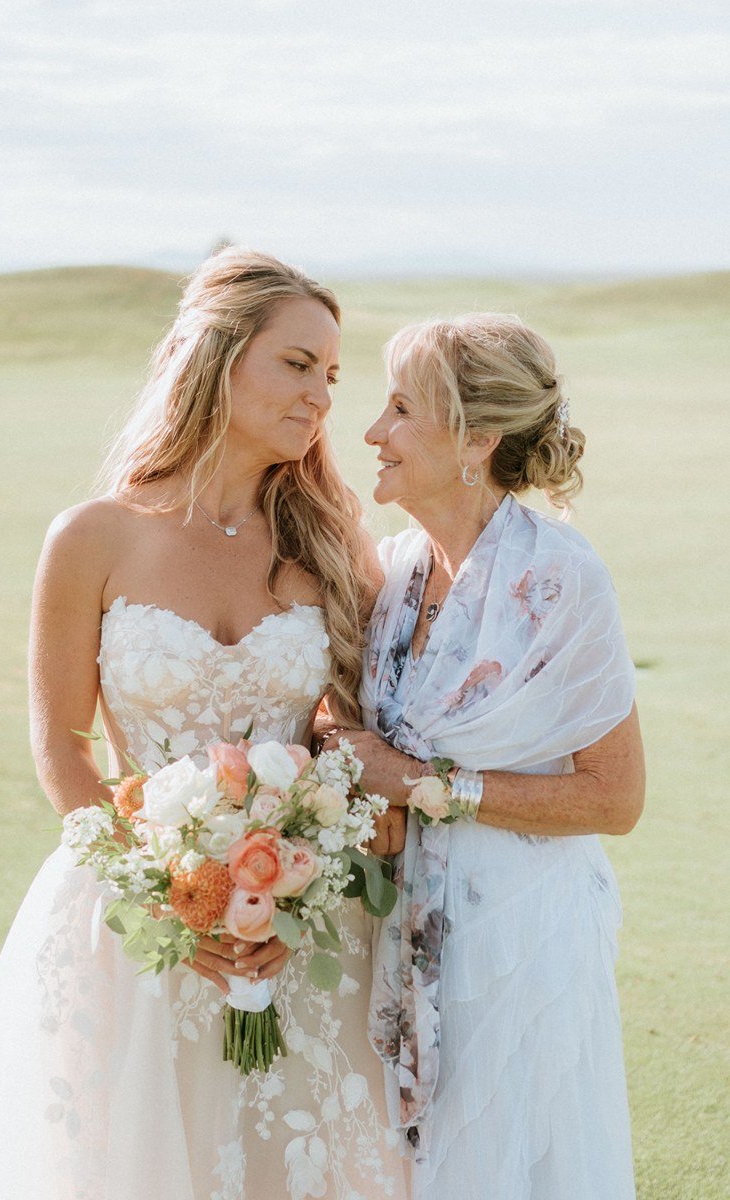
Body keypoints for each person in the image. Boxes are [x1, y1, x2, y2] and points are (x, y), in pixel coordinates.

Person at [0, 248, 407, 1200]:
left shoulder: (329, 540)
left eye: (331, 374)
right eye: (296, 364)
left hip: (298, 929)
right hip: (136, 920)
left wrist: (301, 885)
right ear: (215, 357)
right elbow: (61, 743)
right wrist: (165, 897)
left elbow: (352, 732)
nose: (321, 396)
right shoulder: (93, 536)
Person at [323, 314, 645, 1199]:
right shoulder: (390, 569)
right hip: (394, 928)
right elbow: (341, 711)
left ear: (475, 441)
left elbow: (613, 798)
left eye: (400, 410)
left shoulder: (559, 578)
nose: (373, 432)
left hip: (515, 942)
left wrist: (419, 785)